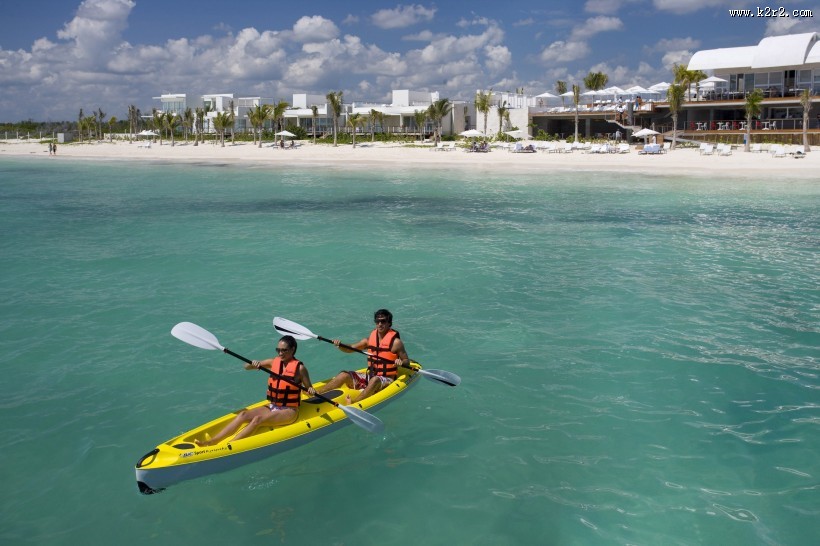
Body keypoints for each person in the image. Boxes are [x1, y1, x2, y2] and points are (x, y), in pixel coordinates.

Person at [195, 335, 314, 446]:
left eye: (284, 350)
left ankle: (230, 446)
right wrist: (253, 363)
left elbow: (308, 390)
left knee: (257, 420)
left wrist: (310, 391)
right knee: (243, 415)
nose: (280, 353)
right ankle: (212, 442)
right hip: (273, 406)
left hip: (289, 411)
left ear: (292, 350)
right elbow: (246, 367)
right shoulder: (273, 362)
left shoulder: (300, 369)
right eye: (278, 350)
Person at [317, 309, 410, 404]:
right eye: (377, 321)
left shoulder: (396, 343)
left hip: (386, 380)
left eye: (383, 321)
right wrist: (340, 346)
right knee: (343, 375)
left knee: (375, 380)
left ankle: (354, 402)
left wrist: (401, 362)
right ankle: (318, 394)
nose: (380, 324)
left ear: (389, 323)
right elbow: (351, 348)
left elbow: (406, 361)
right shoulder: (369, 340)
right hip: (370, 376)